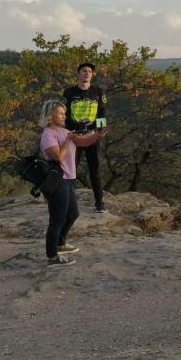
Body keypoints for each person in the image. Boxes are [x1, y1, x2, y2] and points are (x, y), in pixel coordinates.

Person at [38, 100, 106, 268]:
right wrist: (68, 140)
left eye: (64, 113)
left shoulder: (64, 131)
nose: (64, 116)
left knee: (73, 213)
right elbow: (58, 157)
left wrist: (97, 135)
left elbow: (82, 142)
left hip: (68, 179)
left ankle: (60, 243)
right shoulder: (48, 134)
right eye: (60, 113)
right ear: (50, 115)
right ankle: (52, 256)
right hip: (57, 180)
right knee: (57, 219)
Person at [63, 62, 107, 212]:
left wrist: (100, 131)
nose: (87, 73)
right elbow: (64, 115)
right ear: (78, 74)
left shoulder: (98, 92)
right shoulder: (68, 93)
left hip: (92, 136)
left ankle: (99, 202)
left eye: (89, 71)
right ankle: (66, 201)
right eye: (84, 71)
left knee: (94, 170)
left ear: (92, 75)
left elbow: (102, 113)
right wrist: (66, 132)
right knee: (70, 170)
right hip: (74, 137)